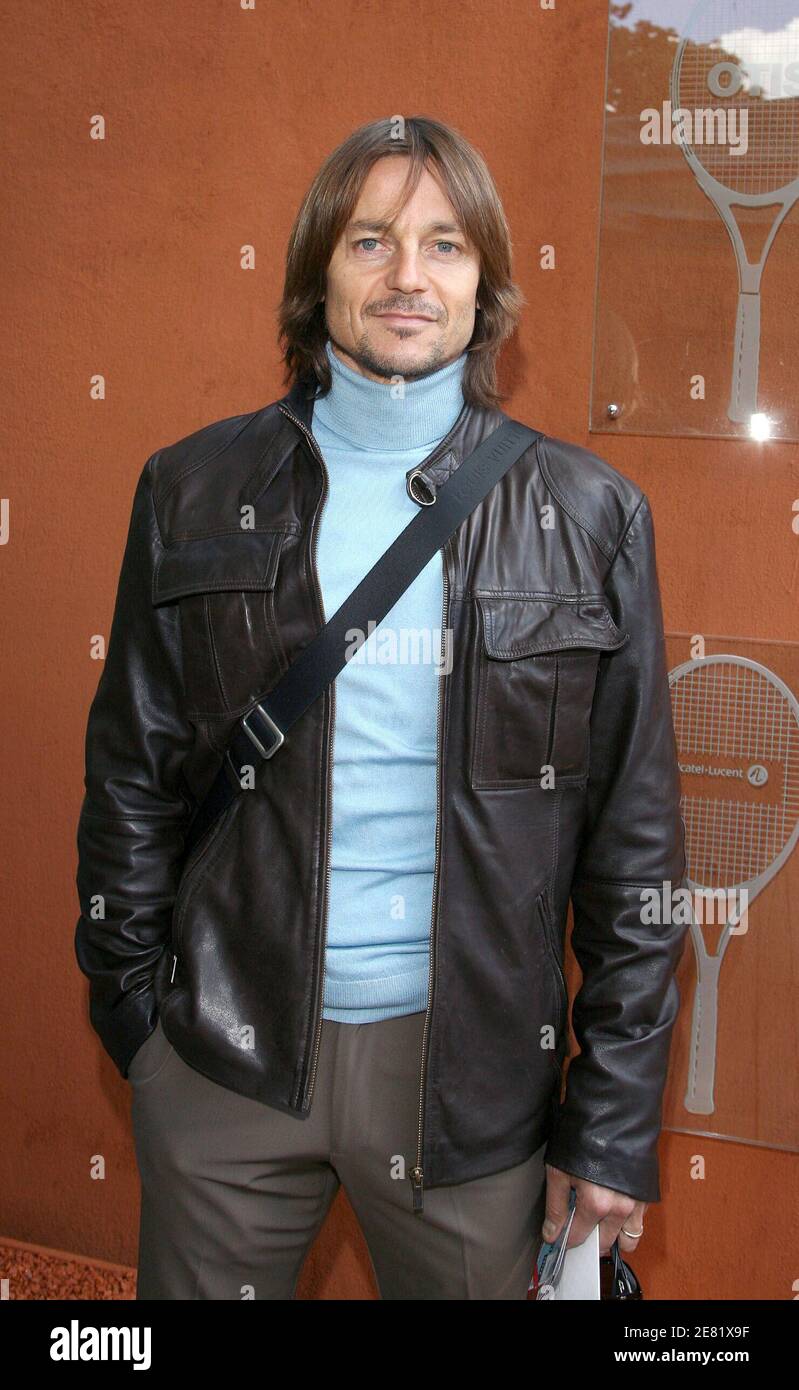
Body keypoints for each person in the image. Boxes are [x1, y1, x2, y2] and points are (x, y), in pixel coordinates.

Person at [74, 114, 688, 1300]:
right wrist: (140, 1023)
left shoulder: (590, 514)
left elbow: (635, 841)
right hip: (222, 1057)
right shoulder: (190, 487)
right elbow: (130, 777)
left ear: (483, 285)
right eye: (370, 241)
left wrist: (609, 1123)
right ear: (317, 274)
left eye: (444, 244)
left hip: (471, 1086)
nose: (409, 274)